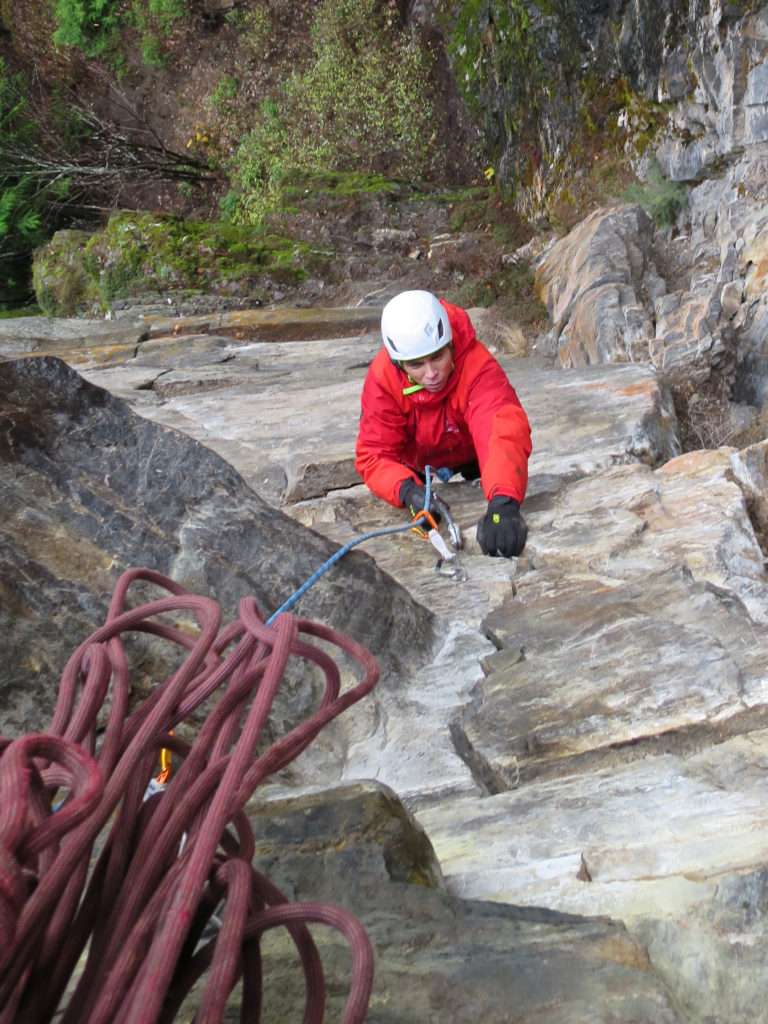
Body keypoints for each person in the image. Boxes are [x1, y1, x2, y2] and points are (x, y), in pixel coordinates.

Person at [355, 289, 532, 557]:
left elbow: (500, 426)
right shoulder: (384, 378)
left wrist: (503, 502)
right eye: (416, 365)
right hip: (416, 467)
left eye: (438, 357)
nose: (431, 374)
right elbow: (374, 454)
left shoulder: (475, 364)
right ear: (399, 363)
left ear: (451, 345)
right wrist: (408, 491)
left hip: (473, 457)